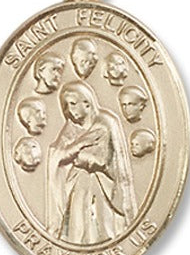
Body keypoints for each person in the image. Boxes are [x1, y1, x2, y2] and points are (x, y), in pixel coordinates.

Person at [46, 81, 137, 244]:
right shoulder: (71, 128)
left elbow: (106, 159)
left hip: (104, 187)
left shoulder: (106, 122)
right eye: (67, 106)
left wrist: (81, 156)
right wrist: (77, 146)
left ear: (87, 103)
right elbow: (58, 155)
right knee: (78, 224)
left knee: (103, 225)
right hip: (79, 186)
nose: (71, 110)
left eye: (74, 104)